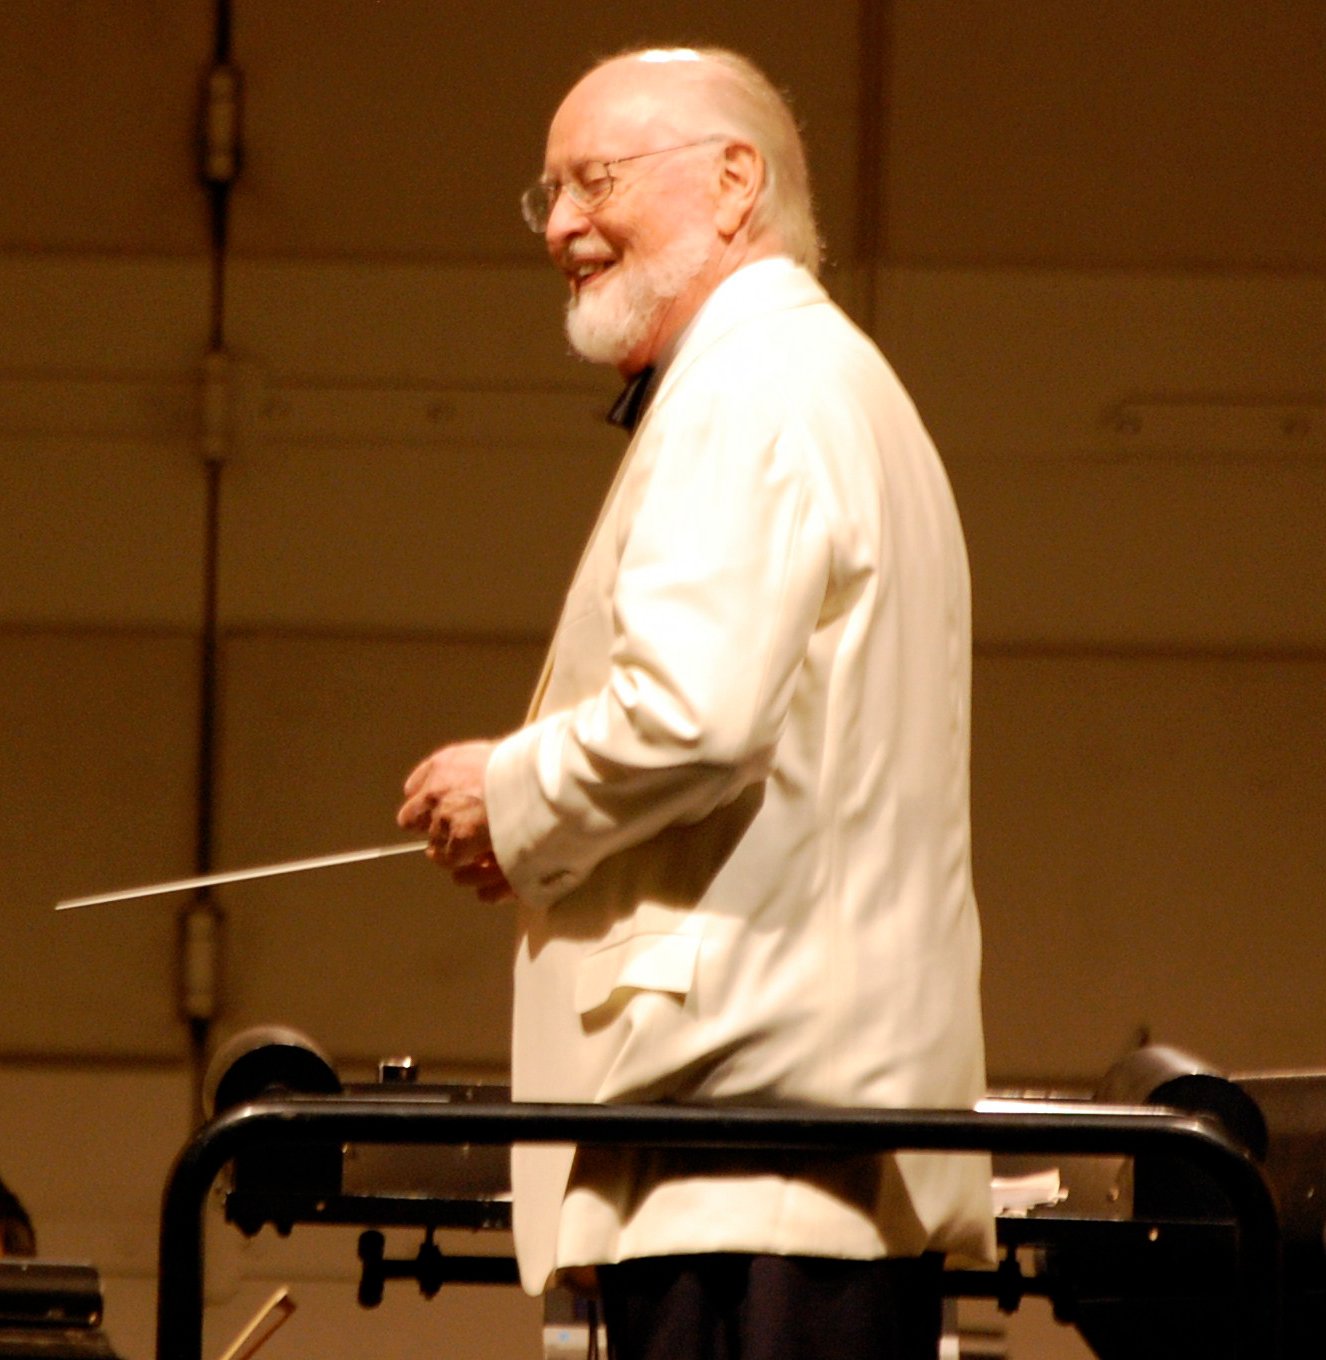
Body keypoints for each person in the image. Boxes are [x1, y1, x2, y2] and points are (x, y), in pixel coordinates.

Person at [397, 46, 993, 1360]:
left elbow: (692, 720)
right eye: (543, 194)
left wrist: (506, 796)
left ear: (736, 184)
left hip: (747, 1145)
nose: (559, 225)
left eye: (592, 180)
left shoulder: (748, 385)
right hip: (781, 1137)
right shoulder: (815, 376)